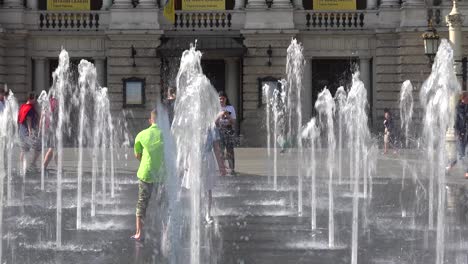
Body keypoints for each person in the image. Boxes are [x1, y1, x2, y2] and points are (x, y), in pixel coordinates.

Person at [131, 109, 165, 242]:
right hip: (162, 175)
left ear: (150, 120)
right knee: (164, 203)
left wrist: (146, 162)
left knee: (142, 203)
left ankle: (139, 233)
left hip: (146, 174)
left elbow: (137, 155)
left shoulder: (141, 134)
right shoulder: (167, 135)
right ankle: (166, 231)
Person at [202, 127, 226, 224]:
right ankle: (199, 211)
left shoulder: (212, 127)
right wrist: (185, 161)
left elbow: (216, 148)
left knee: (208, 188)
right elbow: (187, 145)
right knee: (196, 187)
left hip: (207, 158)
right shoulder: (192, 123)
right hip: (194, 157)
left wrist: (221, 166)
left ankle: (207, 213)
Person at [18, 92, 41, 174]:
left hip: (21, 131)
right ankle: (32, 164)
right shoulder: (29, 108)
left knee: (24, 150)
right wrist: (30, 131)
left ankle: (22, 168)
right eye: (35, 98)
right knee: (38, 146)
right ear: (30, 99)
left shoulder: (23, 106)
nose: (36, 100)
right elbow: (28, 120)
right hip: (27, 132)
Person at [216, 91, 237, 176]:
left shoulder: (230, 108)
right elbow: (214, 122)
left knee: (230, 150)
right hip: (219, 130)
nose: (221, 100)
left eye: (223, 98)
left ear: (226, 99)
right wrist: (220, 116)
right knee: (220, 151)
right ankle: (222, 169)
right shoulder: (216, 108)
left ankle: (232, 169)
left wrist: (227, 116)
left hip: (228, 130)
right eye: (220, 99)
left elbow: (233, 121)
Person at [453, 92, 468, 178]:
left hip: (467, 133)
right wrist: (457, 133)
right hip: (461, 134)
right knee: (461, 155)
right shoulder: (458, 108)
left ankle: (467, 172)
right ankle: (449, 166)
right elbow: (456, 122)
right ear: (463, 98)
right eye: (467, 99)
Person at [42, 96, 58, 170]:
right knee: (52, 148)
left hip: (51, 128)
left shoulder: (49, 102)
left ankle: (59, 167)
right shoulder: (54, 102)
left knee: (56, 148)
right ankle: (44, 166)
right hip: (54, 128)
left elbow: (44, 116)